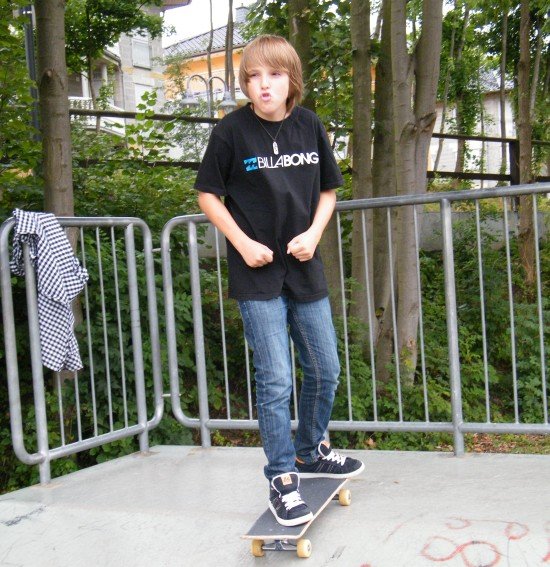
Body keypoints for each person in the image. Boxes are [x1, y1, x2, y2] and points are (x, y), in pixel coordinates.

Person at [194, 34, 364, 527]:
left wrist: (314, 234)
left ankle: (310, 451)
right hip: (257, 274)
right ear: (245, 83)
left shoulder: (309, 125)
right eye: (253, 76)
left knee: (325, 368)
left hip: (305, 267)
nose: (263, 85)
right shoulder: (231, 132)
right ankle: (282, 477)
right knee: (274, 379)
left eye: (274, 74)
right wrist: (243, 243)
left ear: (292, 79)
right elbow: (207, 195)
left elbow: (328, 191)